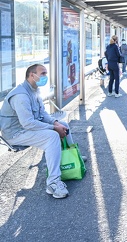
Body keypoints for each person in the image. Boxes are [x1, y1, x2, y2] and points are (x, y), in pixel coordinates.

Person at [0, 64, 75, 199]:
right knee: (52, 137)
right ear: (31, 75)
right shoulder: (21, 95)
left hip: (26, 128)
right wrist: (54, 128)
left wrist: (56, 123)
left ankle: (74, 157)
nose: (45, 77)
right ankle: (52, 183)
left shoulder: (34, 91)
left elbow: (43, 114)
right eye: (43, 74)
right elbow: (27, 123)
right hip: (15, 133)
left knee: (63, 124)